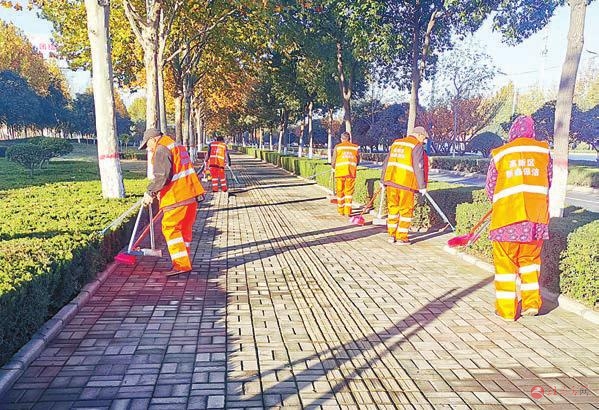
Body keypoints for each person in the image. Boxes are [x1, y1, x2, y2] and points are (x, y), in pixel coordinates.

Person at [486, 115, 552, 321]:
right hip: (535, 219)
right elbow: (548, 181)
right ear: (532, 132)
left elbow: (490, 188)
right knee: (530, 263)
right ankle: (531, 304)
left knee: (505, 265)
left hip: (506, 219)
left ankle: (506, 311)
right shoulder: (543, 151)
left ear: (512, 131)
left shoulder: (500, 153)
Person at [140, 128, 205, 276]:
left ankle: (181, 265)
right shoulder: (176, 146)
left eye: (147, 145)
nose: (148, 149)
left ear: (154, 139)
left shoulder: (162, 149)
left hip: (177, 197)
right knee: (184, 231)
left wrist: (150, 192)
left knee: (170, 229)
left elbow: (162, 176)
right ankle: (184, 262)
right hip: (190, 195)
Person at [381, 126, 428, 245]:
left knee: (392, 208)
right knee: (405, 211)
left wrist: (383, 180)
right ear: (419, 135)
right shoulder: (416, 145)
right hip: (405, 183)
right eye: (424, 138)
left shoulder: (396, 143)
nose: (424, 141)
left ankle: (391, 235)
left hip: (391, 181)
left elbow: (386, 162)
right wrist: (422, 186)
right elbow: (419, 167)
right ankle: (401, 237)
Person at [331, 132, 360, 216]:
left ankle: (341, 210)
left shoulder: (338, 147)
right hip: (351, 173)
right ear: (349, 139)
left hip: (340, 173)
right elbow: (358, 160)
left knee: (340, 191)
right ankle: (347, 211)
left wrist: (333, 167)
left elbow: (334, 160)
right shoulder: (355, 147)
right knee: (349, 192)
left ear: (341, 139)